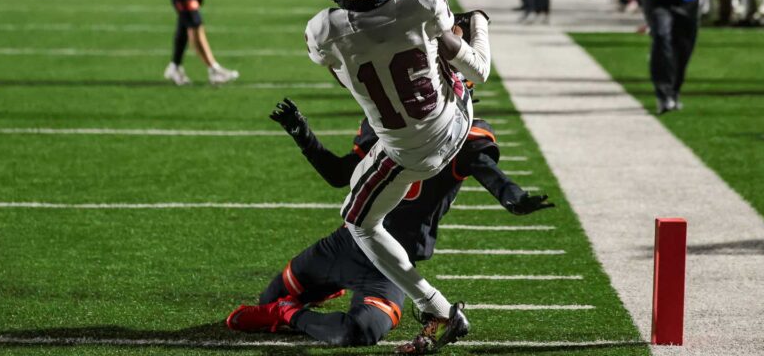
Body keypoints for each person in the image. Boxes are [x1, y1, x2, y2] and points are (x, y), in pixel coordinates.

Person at [225, 97, 552, 349]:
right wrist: (303, 135)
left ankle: (286, 311)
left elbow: (488, 171)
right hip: (347, 243)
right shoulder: (384, 121)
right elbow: (340, 175)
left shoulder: (461, 134)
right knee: (265, 299)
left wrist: (513, 196)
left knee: (358, 331)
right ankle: (317, 291)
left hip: (390, 263)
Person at [304, 0, 493, 351]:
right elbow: (480, 69)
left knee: (358, 221)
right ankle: (467, 38)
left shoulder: (323, 30)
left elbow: (343, 72)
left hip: (408, 151)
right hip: (456, 120)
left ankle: (434, 305)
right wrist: (476, 24)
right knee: (456, 56)